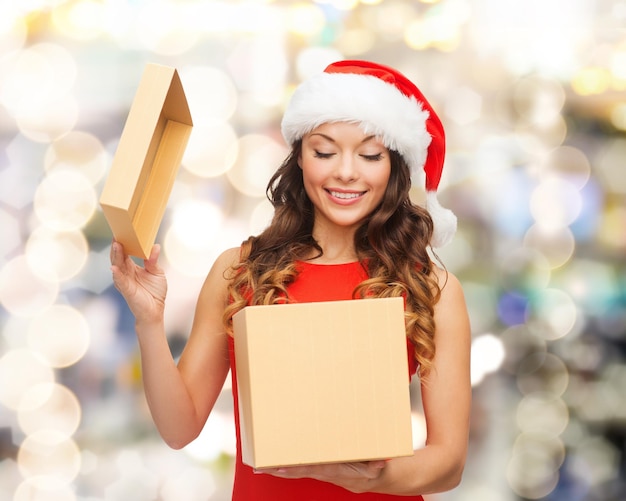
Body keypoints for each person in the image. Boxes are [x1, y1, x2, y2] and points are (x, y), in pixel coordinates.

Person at [110, 60, 471, 500]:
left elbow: (448, 462)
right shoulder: (240, 272)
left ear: (394, 166)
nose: (346, 172)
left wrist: (355, 476)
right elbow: (179, 428)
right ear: (299, 157)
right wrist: (149, 322)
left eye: (370, 155)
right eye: (324, 151)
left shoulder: (431, 288)